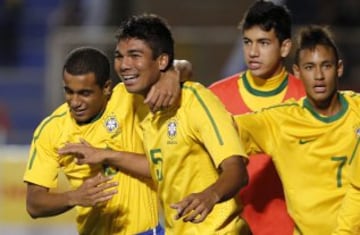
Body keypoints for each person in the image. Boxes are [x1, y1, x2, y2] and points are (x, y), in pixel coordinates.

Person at [59, 13, 251, 234]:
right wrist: (106, 154)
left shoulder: (196, 101)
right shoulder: (150, 116)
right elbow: (160, 166)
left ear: (161, 61)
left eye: (135, 55)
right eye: (119, 56)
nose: (124, 65)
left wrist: (210, 195)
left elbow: (236, 170)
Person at [23, 46, 186, 235]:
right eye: (69, 91)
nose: (75, 102)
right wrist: (74, 197)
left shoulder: (130, 99)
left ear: (107, 88)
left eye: (85, 93)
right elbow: (34, 204)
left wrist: (172, 74)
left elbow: (182, 66)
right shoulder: (51, 130)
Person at [234, 24, 360, 234]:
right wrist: (181, 80)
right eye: (310, 67)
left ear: (339, 68)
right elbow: (220, 128)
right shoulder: (280, 121)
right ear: (297, 72)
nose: (318, 75)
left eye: (326, 66)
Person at [208, 1, 305, 234]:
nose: (252, 52)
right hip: (229, 228)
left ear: (285, 47)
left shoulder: (306, 99)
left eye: (263, 43)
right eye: (247, 42)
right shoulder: (215, 97)